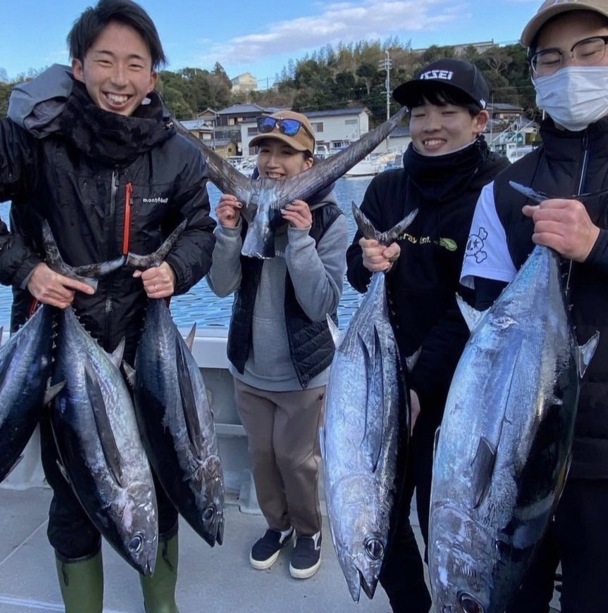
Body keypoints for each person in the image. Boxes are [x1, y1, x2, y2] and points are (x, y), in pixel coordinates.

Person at [0, 1, 215, 611]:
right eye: (104, 61)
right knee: (75, 488)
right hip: (54, 345)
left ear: (153, 77)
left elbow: (198, 231)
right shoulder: (30, 139)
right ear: (77, 67)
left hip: (144, 347)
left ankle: (161, 603)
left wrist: (177, 269)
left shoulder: (180, 154)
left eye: (135, 64)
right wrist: (26, 270)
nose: (119, 79)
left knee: (162, 479)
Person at [345, 59, 509, 611]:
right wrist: (368, 261)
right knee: (381, 521)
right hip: (386, 384)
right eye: (419, 113)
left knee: (445, 522)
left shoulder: (499, 193)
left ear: (479, 120)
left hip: (463, 395)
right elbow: (356, 274)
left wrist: (418, 389)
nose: (430, 125)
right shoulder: (387, 187)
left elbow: (478, 305)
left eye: (447, 111)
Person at [461, 1, 608, 610]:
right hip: (519, 448)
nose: (569, 69)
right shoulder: (502, 190)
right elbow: (482, 308)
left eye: (590, 50)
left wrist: (596, 246)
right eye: (551, 58)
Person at [207, 110, 347, 580]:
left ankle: (308, 531)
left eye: (286, 152)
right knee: (262, 459)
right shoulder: (245, 210)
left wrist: (301, 239)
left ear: (309, 162)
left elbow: (322, 303)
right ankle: (278, 525)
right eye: (265, 150)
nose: (272, 161)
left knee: (296, 460)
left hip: (303, 373)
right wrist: (228, 232)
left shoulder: (329, 220)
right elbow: (221, 286)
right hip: (250, 367)